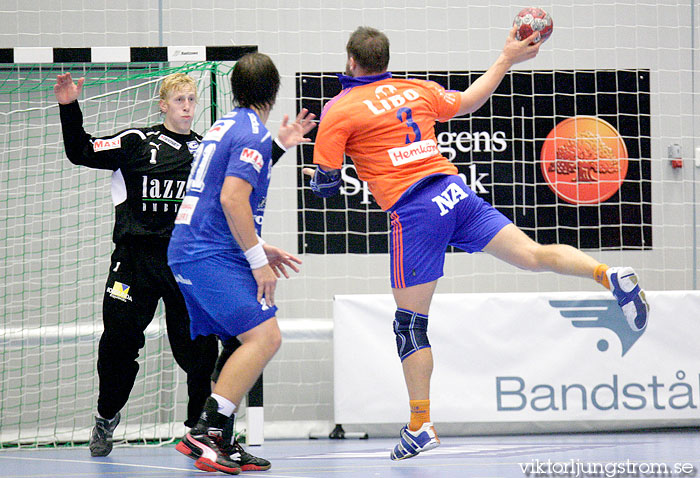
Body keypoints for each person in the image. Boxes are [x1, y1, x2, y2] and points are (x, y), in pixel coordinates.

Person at [304, 26, 650, 461]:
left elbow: (327, 186)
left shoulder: (338, 110)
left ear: (350, 60)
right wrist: (506, 57)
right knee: (533, 255)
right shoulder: (416, 89)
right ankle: (606, 274)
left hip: (415, 210)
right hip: (455, 191)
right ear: (385, 61)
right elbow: (469, 100)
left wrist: (316, 177)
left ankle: (420, 424)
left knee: (410, 324)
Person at [53, 71, 309, 468]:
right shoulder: (138, 142)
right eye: (179, 100)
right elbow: (81, 150)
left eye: (192, 99)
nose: (187, 107)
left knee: (201, 351)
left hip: (186, 260)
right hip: (136, 260)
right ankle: (106, 416)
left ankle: (204, 431)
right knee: (120, 343)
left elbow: (237, 181)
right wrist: (69, 106)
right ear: (163, 104)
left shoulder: (206, 146)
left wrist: (277, 146)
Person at [168, 52, 311, 475]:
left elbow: (217, 196)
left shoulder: (225, 125)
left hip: (203, 248)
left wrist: (259, 247)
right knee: (266, 338)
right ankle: (206, 432)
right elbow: (232, 198)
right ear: (273, 90)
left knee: (236, 342)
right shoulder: (250, 131)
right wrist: (256, 260)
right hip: (208, 254)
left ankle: (225, 442)